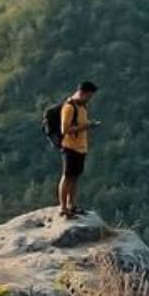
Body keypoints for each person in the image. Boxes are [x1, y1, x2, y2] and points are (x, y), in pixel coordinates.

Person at [58, 81, 99, 218]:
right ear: (82, 93)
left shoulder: (82, 107)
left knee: (75, 177)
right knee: (67, 176)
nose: (89, 99)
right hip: (70, 147)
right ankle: (63, 207)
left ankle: (72, 205)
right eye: (88, 96)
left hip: (81, 148)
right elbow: (65, 129)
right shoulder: (69, 107)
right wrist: (86, 127)